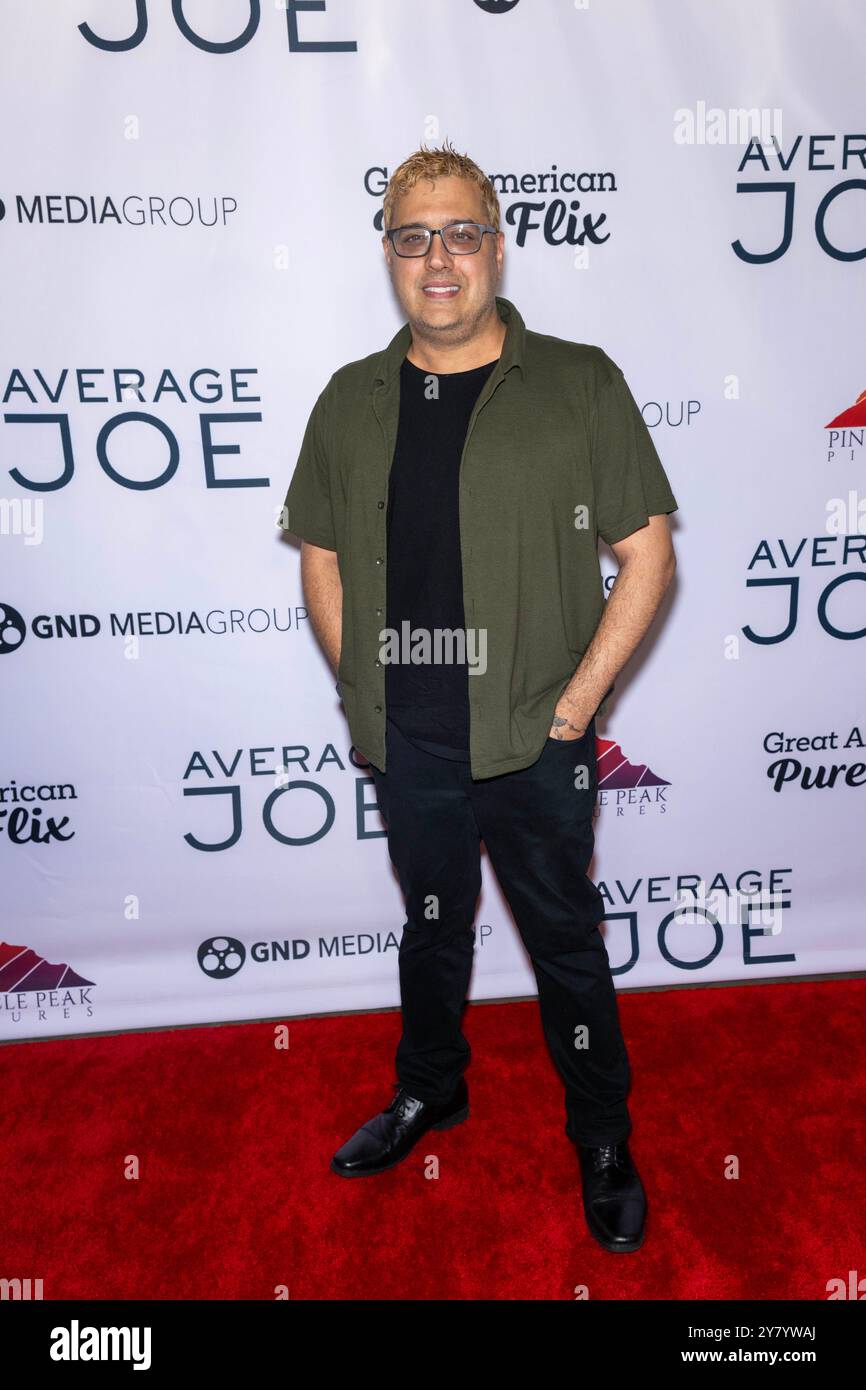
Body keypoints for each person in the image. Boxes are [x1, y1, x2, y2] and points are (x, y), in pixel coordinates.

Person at [282, 140, 678, 1253]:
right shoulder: (350, 398)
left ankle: (600, 1135)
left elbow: (645, 554)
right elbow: (318, 556)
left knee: (564, 943)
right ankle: (430, 1090)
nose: (437, 259)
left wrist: (574, 706)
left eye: (460, 233)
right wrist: (365, 684)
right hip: (411, 744)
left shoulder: (579, 381)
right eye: (413, 238)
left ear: (496, 248)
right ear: (389, 257)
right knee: (428, 934)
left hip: (534, 743)